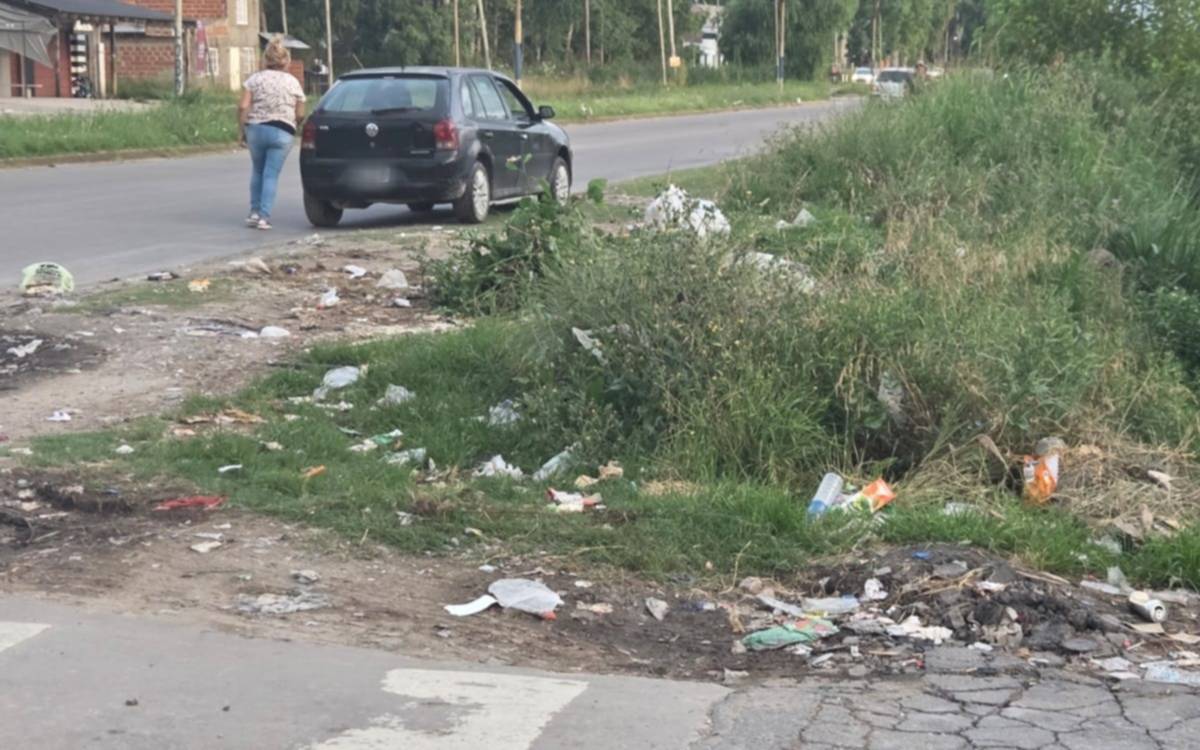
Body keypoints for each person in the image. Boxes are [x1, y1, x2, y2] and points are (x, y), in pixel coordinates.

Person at [238, 37, 306, 230]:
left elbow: (243, 106)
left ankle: (253, 212)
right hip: (283, 131)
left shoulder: (255, 79)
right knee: (271, 175)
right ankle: (264, 217)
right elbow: (300, 112)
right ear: (286, 61)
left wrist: (241, 130)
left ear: (265, 59)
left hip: (256, 129)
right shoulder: (293, 82)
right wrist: (295, 123)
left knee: (257, 171)